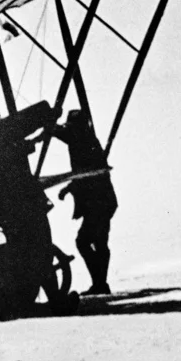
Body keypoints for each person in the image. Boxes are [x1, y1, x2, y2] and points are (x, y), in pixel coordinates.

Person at [0, 131, 78, 315]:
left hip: (18, 207)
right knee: (35, 250)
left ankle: (33, 300)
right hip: (20, 206)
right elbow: (22, 150)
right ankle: (11, 302)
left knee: (34, 251)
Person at [55, 108, 118, 296]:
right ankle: (100, 284)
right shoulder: (87, 140)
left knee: (83, 241)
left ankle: (99, 283)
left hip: (98, 203)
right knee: (99, 243)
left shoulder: (82, 139)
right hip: (103, 202)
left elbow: (66, 134)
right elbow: (85, 174)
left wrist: (48, 124)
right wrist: (68, 189)